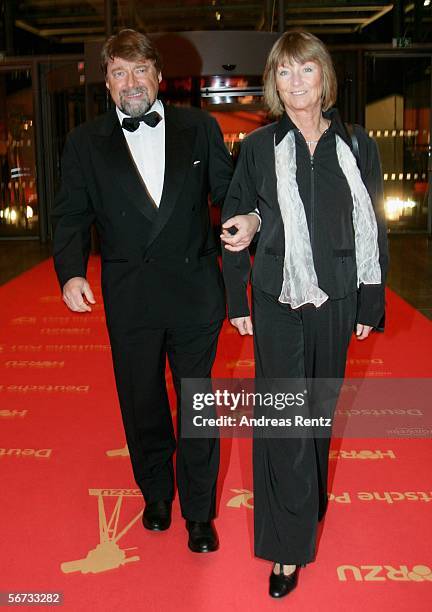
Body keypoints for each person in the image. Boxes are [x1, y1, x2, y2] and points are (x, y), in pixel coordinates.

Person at [52, 29, 258, 553]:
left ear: (159, 77)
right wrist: (71, 271)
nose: (130, 82)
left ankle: (198, 513)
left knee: (196, 405)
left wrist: (247, 220)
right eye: (118, 72)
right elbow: (72, 214)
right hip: (131, 296)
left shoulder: (199, 127)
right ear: (107, 83)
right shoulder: (84, 142)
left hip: (194, 293)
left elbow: (228, 191)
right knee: (142, 402)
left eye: (139, 70)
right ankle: (156, 495)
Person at [221, 30, 388, 596]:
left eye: (306, 70)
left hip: (338, 294)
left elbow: (371, 225)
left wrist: (369, 297)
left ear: (324, 77)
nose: (296, 82)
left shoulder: (358, 145)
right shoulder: (259, 146)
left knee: (317, 411)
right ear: (274, 82)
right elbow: (240, 218)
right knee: (285, 420)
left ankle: (305, 504)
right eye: (285, 72)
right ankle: (287, 549)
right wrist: (236, 292)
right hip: (277, 297)